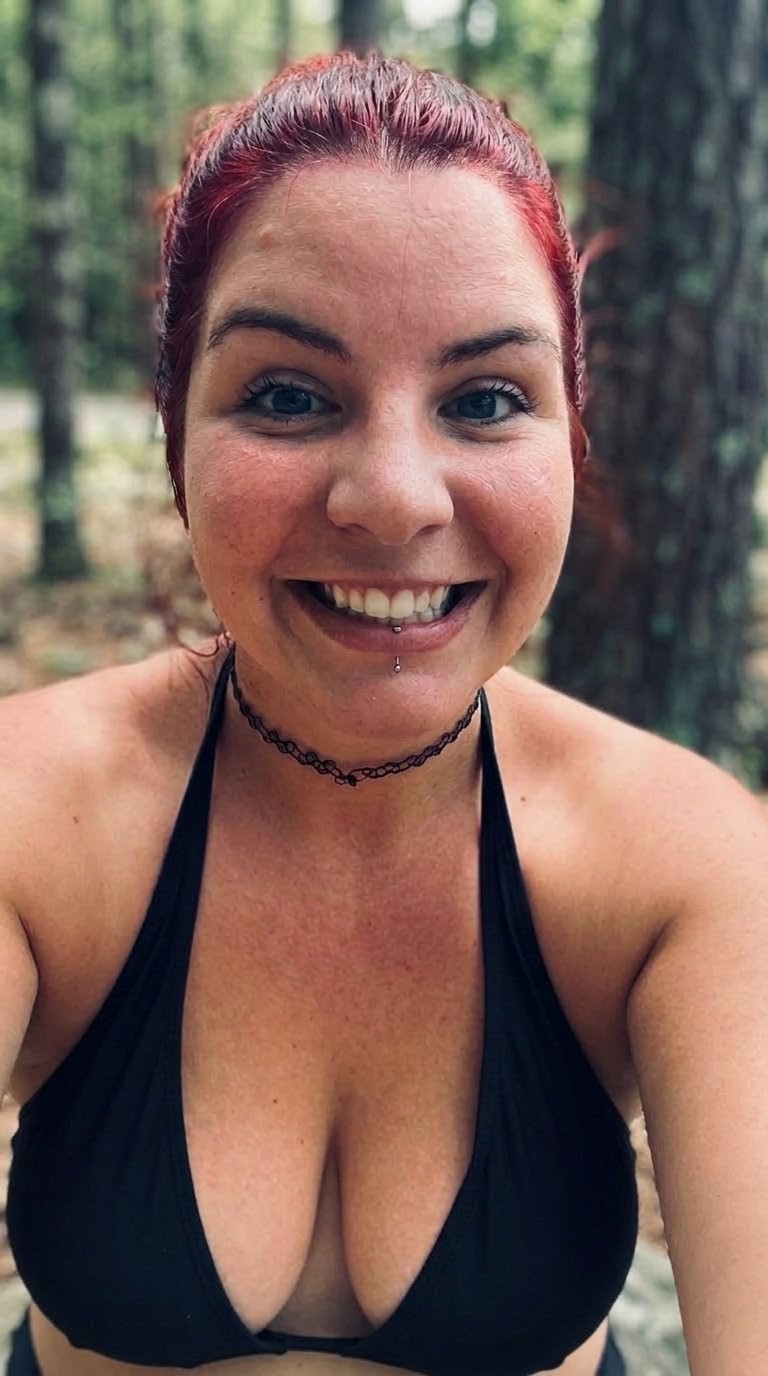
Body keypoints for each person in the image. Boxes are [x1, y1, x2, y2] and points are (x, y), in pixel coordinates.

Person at [1, 50, 766, 1376]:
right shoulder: (32, 814)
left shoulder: (681, 861)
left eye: (485, 399)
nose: (397, 498)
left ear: (570, 438)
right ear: (177, 433)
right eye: (288, 396)